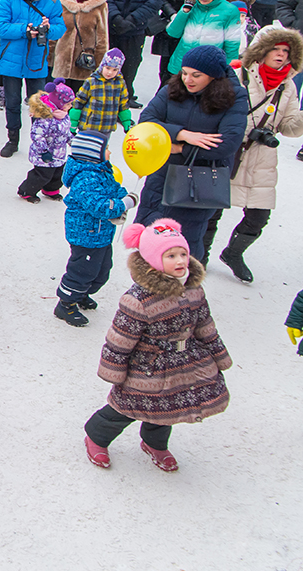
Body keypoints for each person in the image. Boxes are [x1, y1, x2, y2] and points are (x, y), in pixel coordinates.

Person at [83, 219, 231, 473]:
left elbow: (205, 325)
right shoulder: (138, 300)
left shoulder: (194, 289)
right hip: (147, 367)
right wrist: (114, 371)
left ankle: (154, 443)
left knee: (171, 407)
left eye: (183, 253)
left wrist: (219, 356)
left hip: (184, 363)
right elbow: (120, 340)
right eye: (171, 255)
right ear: (153, 260)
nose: (180, 260)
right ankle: (96, 436)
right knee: (127, 407)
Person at [133, 46, 249, 257]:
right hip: (162, 173)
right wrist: (183, 134)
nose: (188, 80)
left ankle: (183, 286)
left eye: (196, 75)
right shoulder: (173, 88)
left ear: (214, 76)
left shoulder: (235, 96)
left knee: (184, 242)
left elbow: (227, 144)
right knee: (151, 233)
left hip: (199, 182)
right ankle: (144, 284)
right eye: (184, 73)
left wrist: (179, 148)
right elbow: (146, 121)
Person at [212, 28, 303, 283]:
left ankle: (233, 253)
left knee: (259, 215)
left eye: (286, 51)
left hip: (262, 158)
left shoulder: (288, 86)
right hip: (231, 149)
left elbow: (290, 127)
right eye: (277, 49)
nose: (281, 55)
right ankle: (199, 255)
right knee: (212, 208)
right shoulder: (241, 74)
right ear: (263, 50)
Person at [55, 132, 137, 327]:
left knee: (102, 270)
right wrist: (122, 204)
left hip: (102, 233)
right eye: (106, 149)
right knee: (82, 270)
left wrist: (123, 196)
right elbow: (98, 206)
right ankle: (65, 303)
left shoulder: (102, 171)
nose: (109, 151)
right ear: (93, 154)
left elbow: (114, 188)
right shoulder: (84, 179)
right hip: (86, 234)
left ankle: (81, 294)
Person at [0, 0, 65, 158]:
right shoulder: (8, 0)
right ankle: (12, 139)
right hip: (11, 60)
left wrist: (49, 28)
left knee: (38, 104)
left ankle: (39, 140)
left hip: (37, 60)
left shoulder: (51, 1)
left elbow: (61, 28)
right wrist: (24, 30)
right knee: (13, 102)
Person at [100, 0, 165, 108]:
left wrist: (132, 19)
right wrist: (116, 17)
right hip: (113, 25)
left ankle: (125, 97)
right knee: (108, 63)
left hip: (136, 28)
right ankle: (104, 96)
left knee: (131, 63)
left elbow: (155, 0)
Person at [164, 0, 242, 76]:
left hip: (210, 66)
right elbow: (173, 32)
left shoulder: (229, 10)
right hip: (182, 63)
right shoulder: (191, 6)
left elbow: (232, 42)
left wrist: (229, 70)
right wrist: (185, 11)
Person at [17, 81, 74, 202]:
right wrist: (43, 151)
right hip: (44, 154)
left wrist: (72, 141)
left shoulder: (63, 115)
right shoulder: (45, 118)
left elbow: (66, 131)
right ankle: (26, 190)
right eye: (68, 103)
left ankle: (51, 190)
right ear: (59, 103)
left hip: (59, 152)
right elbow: (37, 135)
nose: (70, 106)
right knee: (42, 175)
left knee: (58, 173)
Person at [54, 0, 109, 85]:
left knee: (80, 99)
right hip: (62, 60)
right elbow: (54, 32)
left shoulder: (100, 6)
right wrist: (49, 58)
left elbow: (102, 37)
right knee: (60, 99)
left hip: (84, 62)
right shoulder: (62, 3)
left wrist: (100, 64)